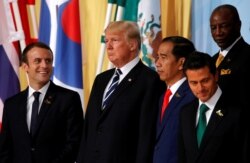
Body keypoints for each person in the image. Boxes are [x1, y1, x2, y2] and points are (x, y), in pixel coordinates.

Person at [76, 21, 163, 163]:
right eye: (106, 41)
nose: (108, 46)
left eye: (114, 40)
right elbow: (89, 127)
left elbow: (146, 134)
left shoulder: (150, 81)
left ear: (132, 45)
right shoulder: (101, 79)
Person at [0, 42, 83, 163]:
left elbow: (74, 143)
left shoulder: (68, 99)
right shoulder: (12, 104)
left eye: (48, 61)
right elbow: (5, 148)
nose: (44, 65)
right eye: (37, 61)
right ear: (25, 67)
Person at [178, 51, 246, 163]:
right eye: (194, 83)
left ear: (216, 76)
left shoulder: (237, 113)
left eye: (205, 81)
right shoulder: (185, 112)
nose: (200, 88)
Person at [153, 36, 196, 163]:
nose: (157, 63)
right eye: (158, 56)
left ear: (181, 63)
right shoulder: (163, 96)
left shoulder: (192, 96)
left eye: (163, 57)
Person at [210, 4, 250, 107]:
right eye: (213, 28)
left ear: (238, 25)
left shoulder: (247, 55)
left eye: (223, 26)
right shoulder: (211, 60)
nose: (218, 33)